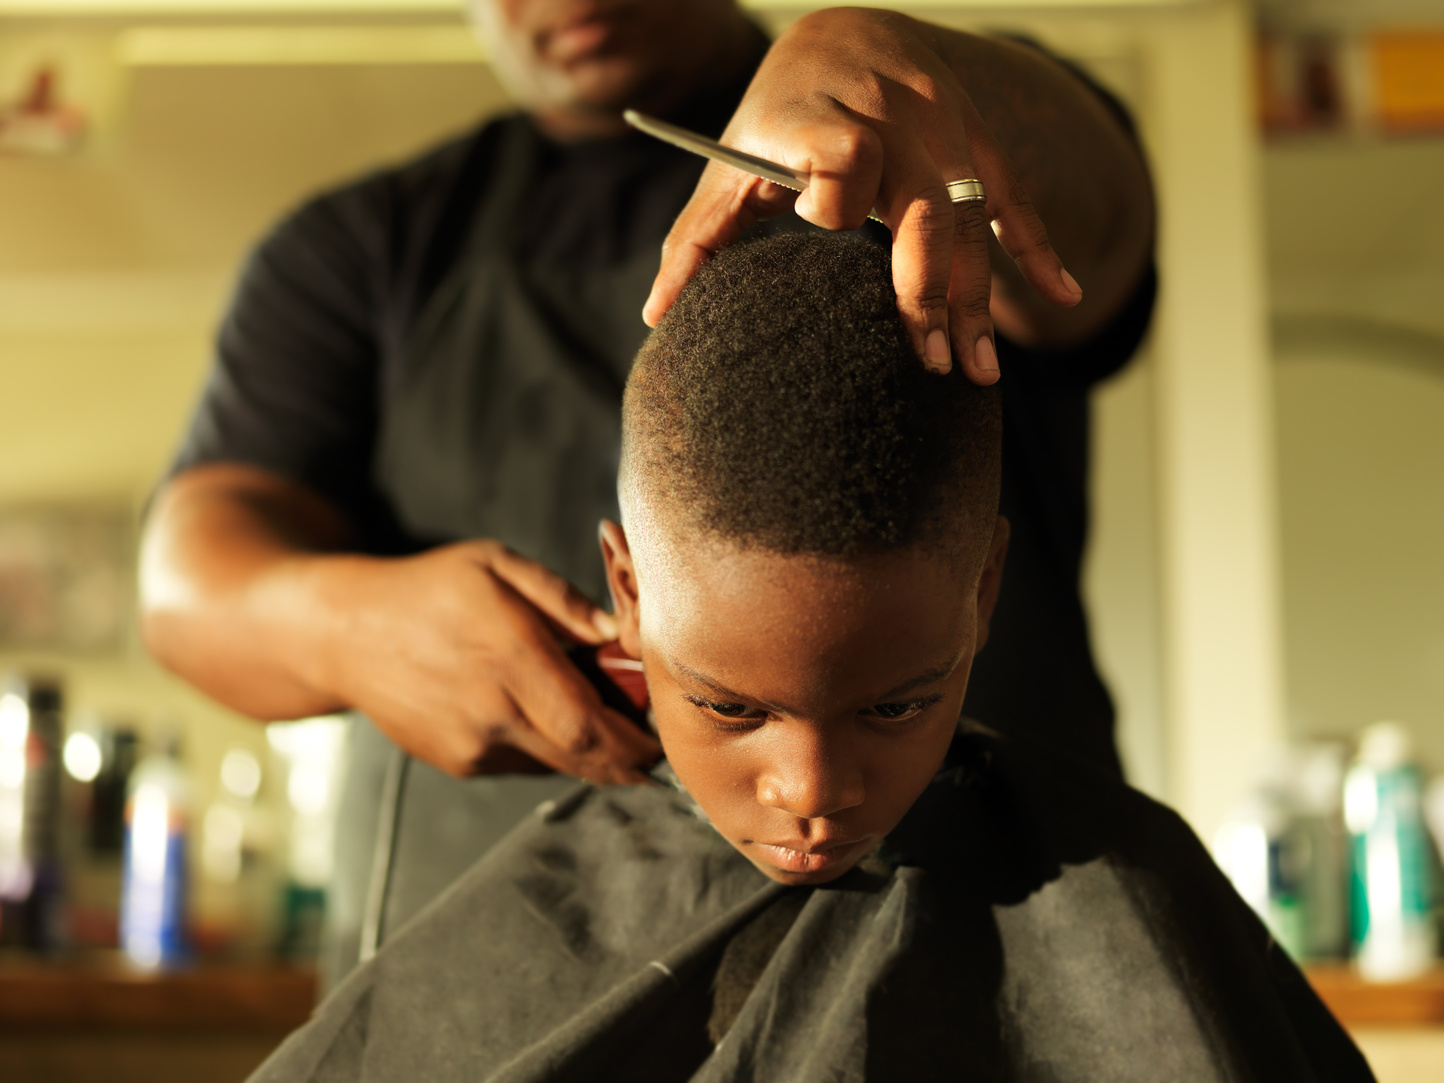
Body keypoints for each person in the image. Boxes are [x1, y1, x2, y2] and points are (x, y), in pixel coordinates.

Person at [138, 3, 1155, 985]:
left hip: (990, 950)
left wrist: (887, 58)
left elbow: (1101, 223)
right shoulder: (362, 252)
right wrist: (345, 627)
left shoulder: (940, 142)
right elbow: (186, 584)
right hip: (514, 977)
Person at [246, 234, 1368, 1083]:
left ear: (984, 589)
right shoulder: (373, 248)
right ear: (626, 592)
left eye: (894, 708)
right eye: (733, 710)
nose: (815, 793)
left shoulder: (1120, 887)